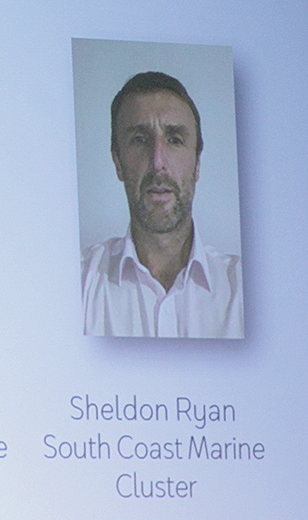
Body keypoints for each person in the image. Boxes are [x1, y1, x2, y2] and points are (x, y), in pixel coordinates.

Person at [80, 71, 243, 338]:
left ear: (197, 164)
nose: (157, 162)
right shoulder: (80, 284)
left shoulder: (244, 290)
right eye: (139, 139)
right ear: (118, 163)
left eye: (174, 139)